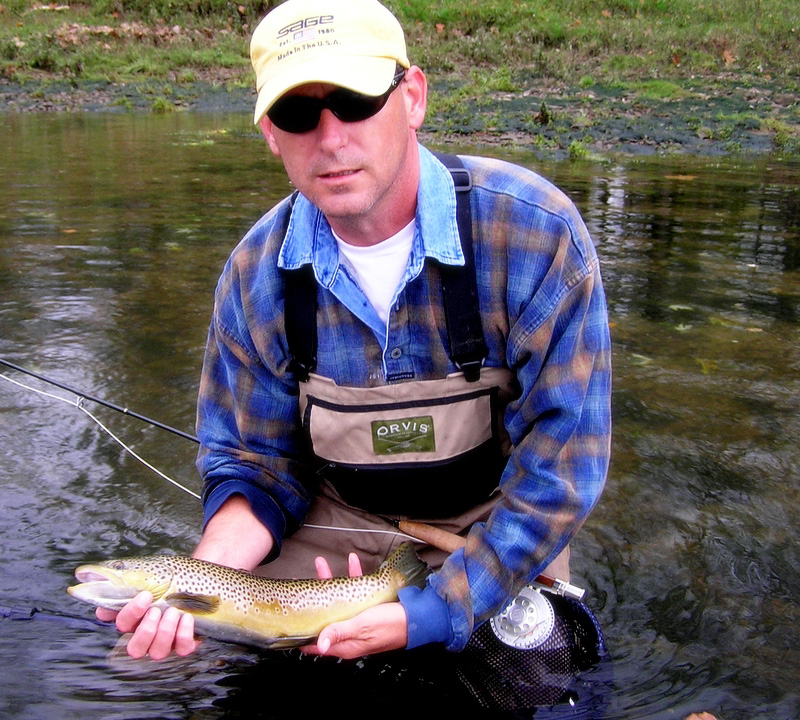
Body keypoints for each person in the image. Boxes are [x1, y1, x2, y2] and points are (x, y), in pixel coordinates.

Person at [97, 0, 611, 662]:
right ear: (270, 135)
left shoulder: (538, 237)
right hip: (332, 521)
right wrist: (200, 583)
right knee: (237, 677)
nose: (331, 137)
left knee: (535, 679)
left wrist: (433, 610)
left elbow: (563, 471)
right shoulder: (255, 274)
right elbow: (253, 463)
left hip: (493, 523)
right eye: (297, 113)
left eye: (355, 99)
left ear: (413, 98)